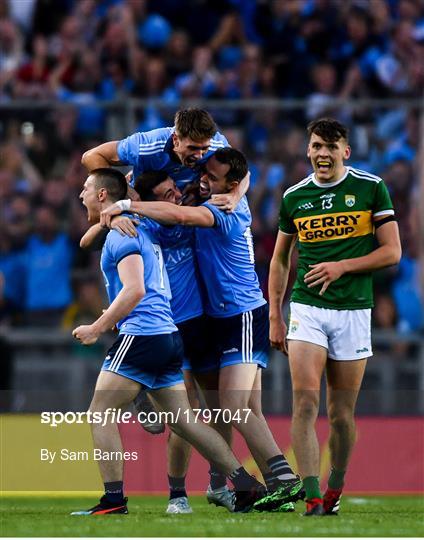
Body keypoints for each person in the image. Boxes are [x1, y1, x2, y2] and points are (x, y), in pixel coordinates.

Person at [101, 148, 305, 511]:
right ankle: (260, 485)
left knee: (233, 407)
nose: (200, 180)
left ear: (230, 184)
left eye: (211, 176)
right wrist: (114, 213)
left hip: (239, 315)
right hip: (211, 320)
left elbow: (179, 212)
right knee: (235, 409)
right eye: (203, 174)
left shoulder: (222, 209)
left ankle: (283, 479)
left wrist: (127, 207)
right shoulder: (180, 212)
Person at [71, 167, 264, 516]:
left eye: (85, 188)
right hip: (168, 336)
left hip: (143, 334)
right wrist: (107, 219)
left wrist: (98, 326)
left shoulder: (124, 233)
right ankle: (243, 481)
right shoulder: (136, 225)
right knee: (184, 421)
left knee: (99, 413)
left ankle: (113, 501)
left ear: (102, 195)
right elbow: (85, 241)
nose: (80, 194)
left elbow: (135, 289)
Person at [264, 118, 401, 515]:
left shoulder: (370, 188)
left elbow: (392, 252)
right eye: (316, 146)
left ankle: (334, 487)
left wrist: (343, 267)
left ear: (346, 152)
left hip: (354, 310)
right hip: (307, 308)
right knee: (305, 403)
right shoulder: (294, 197)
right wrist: (275, 314)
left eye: (331, 146)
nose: (322, 153)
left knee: (341, 415)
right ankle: (310, 496)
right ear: (307, 151)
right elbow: (279, 260)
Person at [81, 107, 248, 212]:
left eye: (204, 149)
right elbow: (92, 156)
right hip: (145, 216)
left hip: (184, 221)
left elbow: (242, 173)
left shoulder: (217, 145)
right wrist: (122, 189)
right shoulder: (147, 145)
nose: (199, 156)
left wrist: (235, 195)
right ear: (176, 140)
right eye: (193, 148)